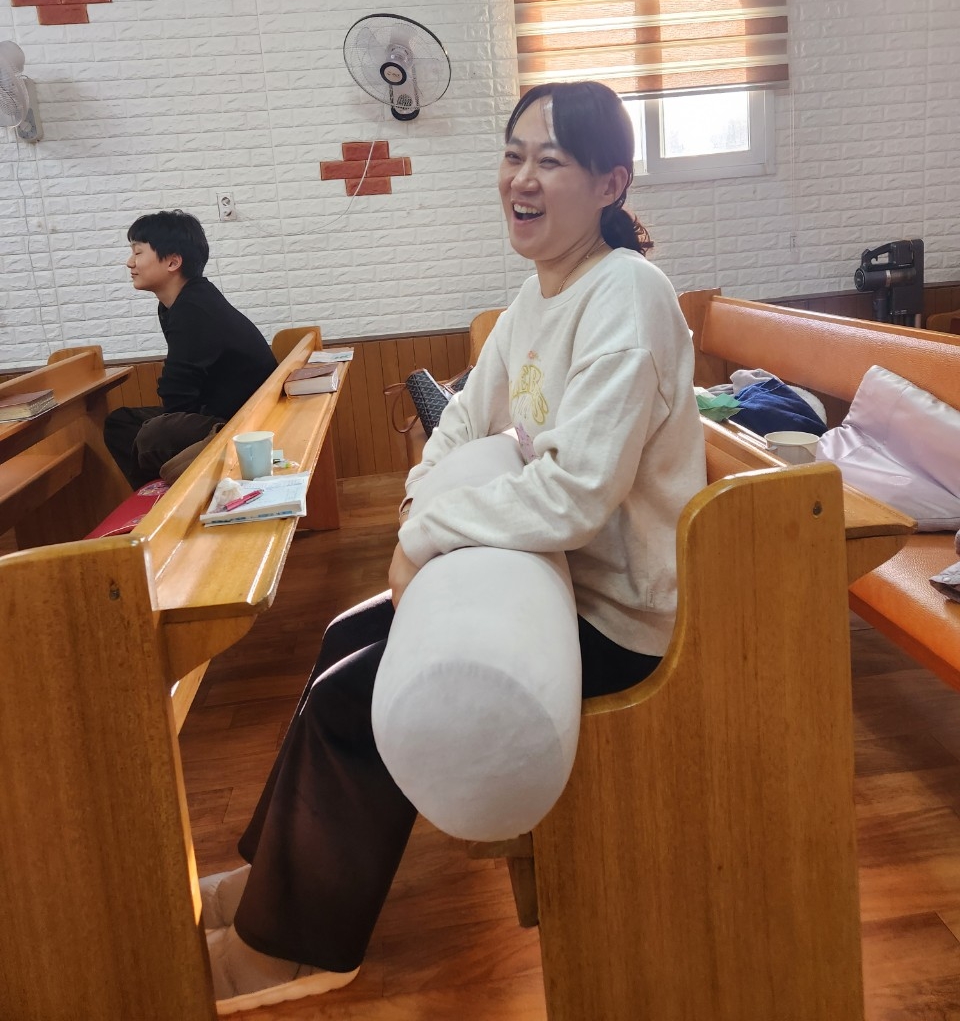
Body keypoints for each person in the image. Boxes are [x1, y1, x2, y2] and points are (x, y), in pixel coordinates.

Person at [201, 81, 707, 1014]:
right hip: (551, 581)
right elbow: (464, 419)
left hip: (622, 615)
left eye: (550, 160)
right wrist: (419, 509)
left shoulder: (628, 294)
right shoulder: (535, 294)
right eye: (513, 156)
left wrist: (429, 536)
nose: (522, 178)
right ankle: (272, 880)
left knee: (356, 698)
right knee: (343, 641)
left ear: (610, 184)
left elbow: (578, 494)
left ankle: (292, 948)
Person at [103, 210, 277, 488]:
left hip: (240, 420)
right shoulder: (181, 302)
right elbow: (182, 387)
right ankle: (159, 491)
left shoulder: (193, 308)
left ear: (173, 262)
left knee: (154, 434)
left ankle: (174, 494)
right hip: (218, 410)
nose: (130, 262)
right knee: (121, 423)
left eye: (138, 252)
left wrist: (167, 425)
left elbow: (177, 392)